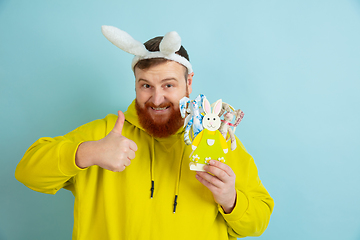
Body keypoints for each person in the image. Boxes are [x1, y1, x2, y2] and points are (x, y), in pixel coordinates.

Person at [15, 26, 274, 240]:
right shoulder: (105, 133)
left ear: (189, 83)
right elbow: (27, 172)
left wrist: (232, 200)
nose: (157, 98)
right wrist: (88, 152)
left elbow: (257, 223)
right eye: (146, 85)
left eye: (168, 84)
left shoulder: (219, 141)